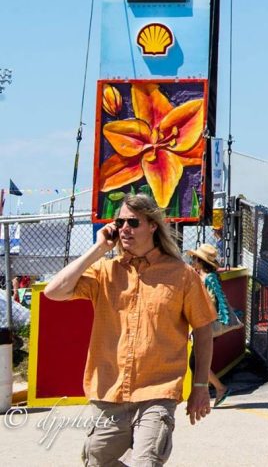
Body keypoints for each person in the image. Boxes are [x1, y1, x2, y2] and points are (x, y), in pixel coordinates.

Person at [44, 194, 217, 464]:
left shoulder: (182, 275)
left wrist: (200, 386)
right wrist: (98, 249)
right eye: (120, 222)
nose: (125, 228)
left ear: (152, 226)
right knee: (96, 461)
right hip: (109, 392)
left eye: (133, 222)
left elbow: (204, 331)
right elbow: (53, 291)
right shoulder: (105, 271)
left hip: (157, 393)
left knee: (145, 461)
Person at [187, 243, 233, 405]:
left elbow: (212, 301)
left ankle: (218, 389)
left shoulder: (210, 278)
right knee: (196, 361)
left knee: (197, 361)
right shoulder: (201, 276)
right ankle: (216, 389)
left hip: (206, 325)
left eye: (194, 258)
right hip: (201, 324)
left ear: (201, 261)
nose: (192, 261)